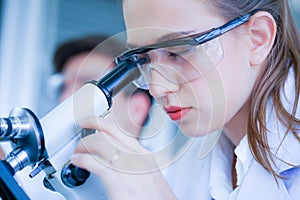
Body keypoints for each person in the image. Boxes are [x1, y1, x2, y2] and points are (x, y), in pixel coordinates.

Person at [70, 0, 300, 200]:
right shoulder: (192, 164)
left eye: (178, 52)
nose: (156, 88)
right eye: (143, 59)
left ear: (258, 38)